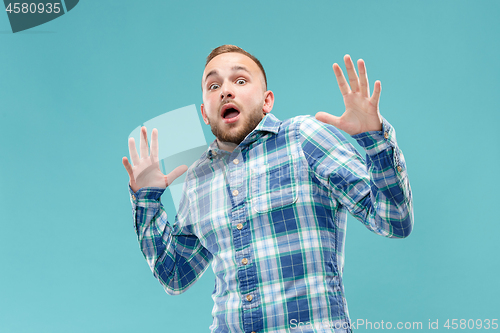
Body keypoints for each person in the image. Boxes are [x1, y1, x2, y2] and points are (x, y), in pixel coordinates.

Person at [122, 45, 413, 333]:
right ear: (205, 114)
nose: (225, 91)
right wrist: (147, 201)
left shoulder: (303, 137)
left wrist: (373, 139)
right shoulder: (198, 177)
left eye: (240, 80)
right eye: (213, 85)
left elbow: (393, 220)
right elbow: (175, 276)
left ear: (267, 101)